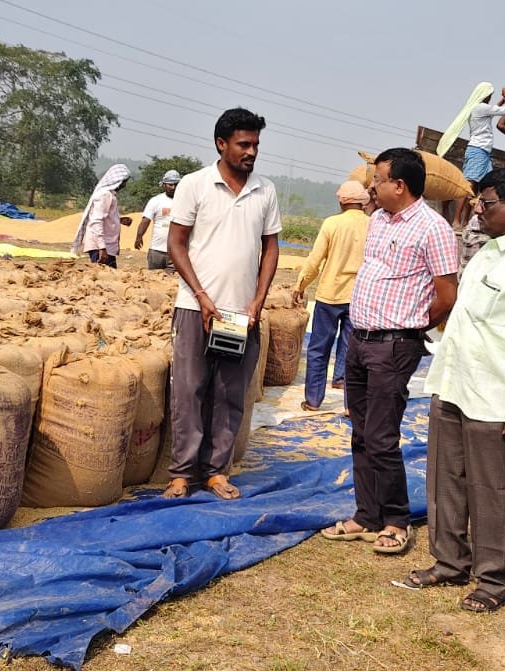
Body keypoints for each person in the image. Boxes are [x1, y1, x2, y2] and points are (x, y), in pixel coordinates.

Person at [403, 168, 505, 613]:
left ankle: (493, 579)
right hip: (455, 384)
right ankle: (450, 562)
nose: (478, 207)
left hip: (496, 395)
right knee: (446, 480)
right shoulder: (486, 254)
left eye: (487, 201)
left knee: (492, 488)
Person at [318, 148, 458, 554]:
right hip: (358, 340)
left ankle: (396, 519)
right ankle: (366, 515)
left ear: (400, 185)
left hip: (393, 346)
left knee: (381, 436)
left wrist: (410, 327)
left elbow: (447, 294)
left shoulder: (433, 228)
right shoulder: (377, 220)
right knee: (361, 434)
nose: (371, 186)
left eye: (378, 180)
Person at [163, 108, 281, 501]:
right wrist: (200, 295)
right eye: (244, 144)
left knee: (230, 393)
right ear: (222, 144)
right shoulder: (195, 185)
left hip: (240, 315)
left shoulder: (265, 190)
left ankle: (216, 471)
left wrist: (258, 301)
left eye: (256, 145)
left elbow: (270, 248)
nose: (251, 152)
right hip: (196, 309)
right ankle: (181, 472)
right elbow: (176, 244)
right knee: (189, 391)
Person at [293, 181, 370, 412]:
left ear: (341, 201)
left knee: (319, 348)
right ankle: (350, 404)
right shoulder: (373, 224)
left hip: (330, 295)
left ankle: (314, 400)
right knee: (352, 351)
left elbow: (315, 261)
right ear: (363, 202)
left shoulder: (332, 223)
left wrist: (301, 285)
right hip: (359, 297)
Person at [454, 86, 505, 227]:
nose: (490, 98)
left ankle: (464, 221)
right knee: (469, 186)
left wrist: (502, 100)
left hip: (482, 152)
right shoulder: (481, 108)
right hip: (478, 150)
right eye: (490, 95)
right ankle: (456, 220)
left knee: (475, 188)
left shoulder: (478, 108)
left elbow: (493, 111)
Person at [72, 164, 132, 268]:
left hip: (106, 246)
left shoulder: (110, 195)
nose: (124, 186)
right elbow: (96, 221)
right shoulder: (105, 195)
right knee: (104, 279)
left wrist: (119, 220)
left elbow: (105, 218)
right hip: (101, 246)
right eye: (124, 182)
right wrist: (102, 248)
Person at [135, 169, 181, 271]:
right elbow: (145, 220)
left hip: (175, 252)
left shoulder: (185, 201)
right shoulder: (156, 201)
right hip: (156, 251)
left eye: (176, 184)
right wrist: (139, 236)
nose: (173, 187)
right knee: (153, 281)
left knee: (171, 284)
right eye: (170, 184)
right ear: (164, 184)